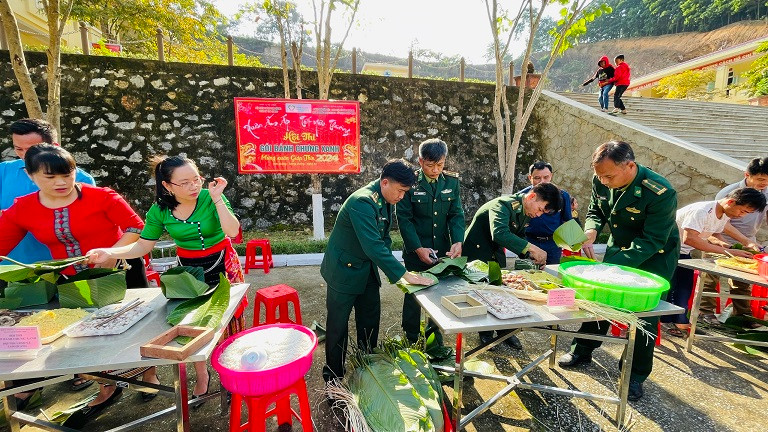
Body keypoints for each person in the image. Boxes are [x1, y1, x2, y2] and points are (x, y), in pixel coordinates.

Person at [0, 144, 157, 426]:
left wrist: (112, 252)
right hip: (73, 280)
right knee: (90, 337)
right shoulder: (23, 208)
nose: (61, 182)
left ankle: (149, 375)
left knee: (136, 331)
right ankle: (107, 387)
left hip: (120, 271)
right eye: (50, 177)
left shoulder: (102, 197)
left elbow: (136, 228)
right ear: (31, 176)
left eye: (67, 174)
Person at [87, 155, 243, 406]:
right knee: (191, 322)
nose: (194, 186)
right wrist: (110, 252)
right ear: (167, 186)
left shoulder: (211, 197)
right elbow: (143, 245)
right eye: (185, 182)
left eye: (196, 179)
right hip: (188, 271)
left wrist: (217, 198)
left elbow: (232, 231)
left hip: (223, 263)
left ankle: (232, 371)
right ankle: (202, 375)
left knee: (229, 319)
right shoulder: (159, 210)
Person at [558, 141, 679, 401]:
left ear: (630, 166)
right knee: (600, 301)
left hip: (654, 257)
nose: (604, 181)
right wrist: (591, 230)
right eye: (600, 176)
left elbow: (653, 240)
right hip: (620, 247)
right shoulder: (601, 177)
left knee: (644, 316)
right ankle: (582, 349)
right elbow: (595, 210)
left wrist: (613, 267)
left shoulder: (660, 192)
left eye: (609, 176)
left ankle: (635, 374)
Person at [320, 159, 433, 384]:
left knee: (370, 322)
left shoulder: (385, 199)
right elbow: (373, 246)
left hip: (367, 269)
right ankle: (333, 378)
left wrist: (394, 269)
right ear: (385, 182)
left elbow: (384, 238)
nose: (401, 196)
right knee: (337, 328)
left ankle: (367, 369)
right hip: (343, 272)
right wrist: (404, 274)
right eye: (400, 191)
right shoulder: (362, 202)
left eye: (405, 192)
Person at [463, 183, 563, 349]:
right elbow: (500, 233)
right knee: (483, 295)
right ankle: (486, 333)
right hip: (477, 255)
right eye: (540, 209)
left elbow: (519, 235)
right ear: (532, 196)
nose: (538, 215)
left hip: (494, 254)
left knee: (502, 293)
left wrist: (530, 256)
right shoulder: (502, 205)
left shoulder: (525, 211)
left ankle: (505, 332)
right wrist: (532, 248)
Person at [662, 188, 766, 337]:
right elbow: (690, 238)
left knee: (684, 288)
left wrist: (730, 247)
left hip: (682, 251)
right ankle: (668, 322)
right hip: (667, 250)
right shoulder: (702, 211)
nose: (741, 215)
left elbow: (713, 234)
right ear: (731, 202)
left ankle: (680, 322)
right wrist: (728, 252)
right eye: (743, 211)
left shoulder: (722, 214)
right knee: (673, 288)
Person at [397, 139, 464, 357]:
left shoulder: (451, 182)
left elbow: (456, 214)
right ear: (420, 161)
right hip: (416, 250)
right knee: (413, 294)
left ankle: (435, 339)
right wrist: (417, 248)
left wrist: (458, 241)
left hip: (441, 250)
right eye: (430, 165)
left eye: (440, 165)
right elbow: (404, 219)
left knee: (439, 293)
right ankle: (410, 337)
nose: (435, 170)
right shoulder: (410, 184)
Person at [0, 118, 95, 265]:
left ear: (54, 146)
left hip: (62, 266)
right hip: (9, 266)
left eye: (32, 150)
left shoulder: (82, 179)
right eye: (18, 149)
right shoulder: (3, 170)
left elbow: (87, 224)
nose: (25, 156)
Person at [699, 157, 768, 325]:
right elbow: (722, 223)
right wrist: (741, 242)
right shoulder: (729, 193)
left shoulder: (766, 192)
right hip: (719, 239)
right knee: (710, 278)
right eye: (760, 179)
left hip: (749, 241)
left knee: (743, 281)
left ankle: (742, 315)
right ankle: (704, 313)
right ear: (747, 175)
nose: (764, 183)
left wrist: (748, 242)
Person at [517, 161, 573, 265]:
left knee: (552, 272)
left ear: (551, 176)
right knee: (527, 273)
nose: (542, 181)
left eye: (546, 177)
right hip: (529, 243)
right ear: (530, 178)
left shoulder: (562, 196)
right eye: (537, 178)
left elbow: (567, 221)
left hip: (553, 245)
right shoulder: (523, 196)